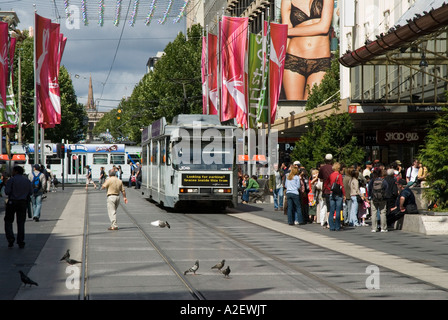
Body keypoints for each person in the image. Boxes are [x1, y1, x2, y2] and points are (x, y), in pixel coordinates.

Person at [281, 0, 334, 100]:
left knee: (313, 109)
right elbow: (285, 37)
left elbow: (323, 27)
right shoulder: (287, 1)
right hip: (293, 59)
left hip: (320, 61)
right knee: (294, 110)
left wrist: (288, 31)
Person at [5, 166, 33, 248]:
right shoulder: (27, 181)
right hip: (22, 203)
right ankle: (20, 241)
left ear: (16, 171)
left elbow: (7, 192)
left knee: (8, 221)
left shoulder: (11, 180)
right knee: (21, 222)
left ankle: (10, 239)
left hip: (12, 202)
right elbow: (30, 192)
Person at [368, 168, 389, 232]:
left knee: (373, 213)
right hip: (382, 198)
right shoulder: (383, 181)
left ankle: (374, 228)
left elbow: (369, 188)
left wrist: (370, 196)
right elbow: (387, 188)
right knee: (382, 213)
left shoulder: (372, 180)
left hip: (374, 198)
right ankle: (383, 228)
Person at [327, 162, 345, 231]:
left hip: (332, 194)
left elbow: (326, 184)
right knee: (338, 210)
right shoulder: (339, 175)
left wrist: (330, 189)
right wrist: (344, 194)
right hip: (338, 194)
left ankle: (331, 226)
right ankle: (337, 226)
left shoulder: (330, 175)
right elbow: (342, 185)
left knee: (331, 211)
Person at [318, 153, 333, 226]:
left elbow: (320, 179)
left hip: (326, 189)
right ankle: (332, 221)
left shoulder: (322, 168)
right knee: (333, 206)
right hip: (333, 189)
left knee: (327, 206)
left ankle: (328, 222)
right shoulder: (333, 168)